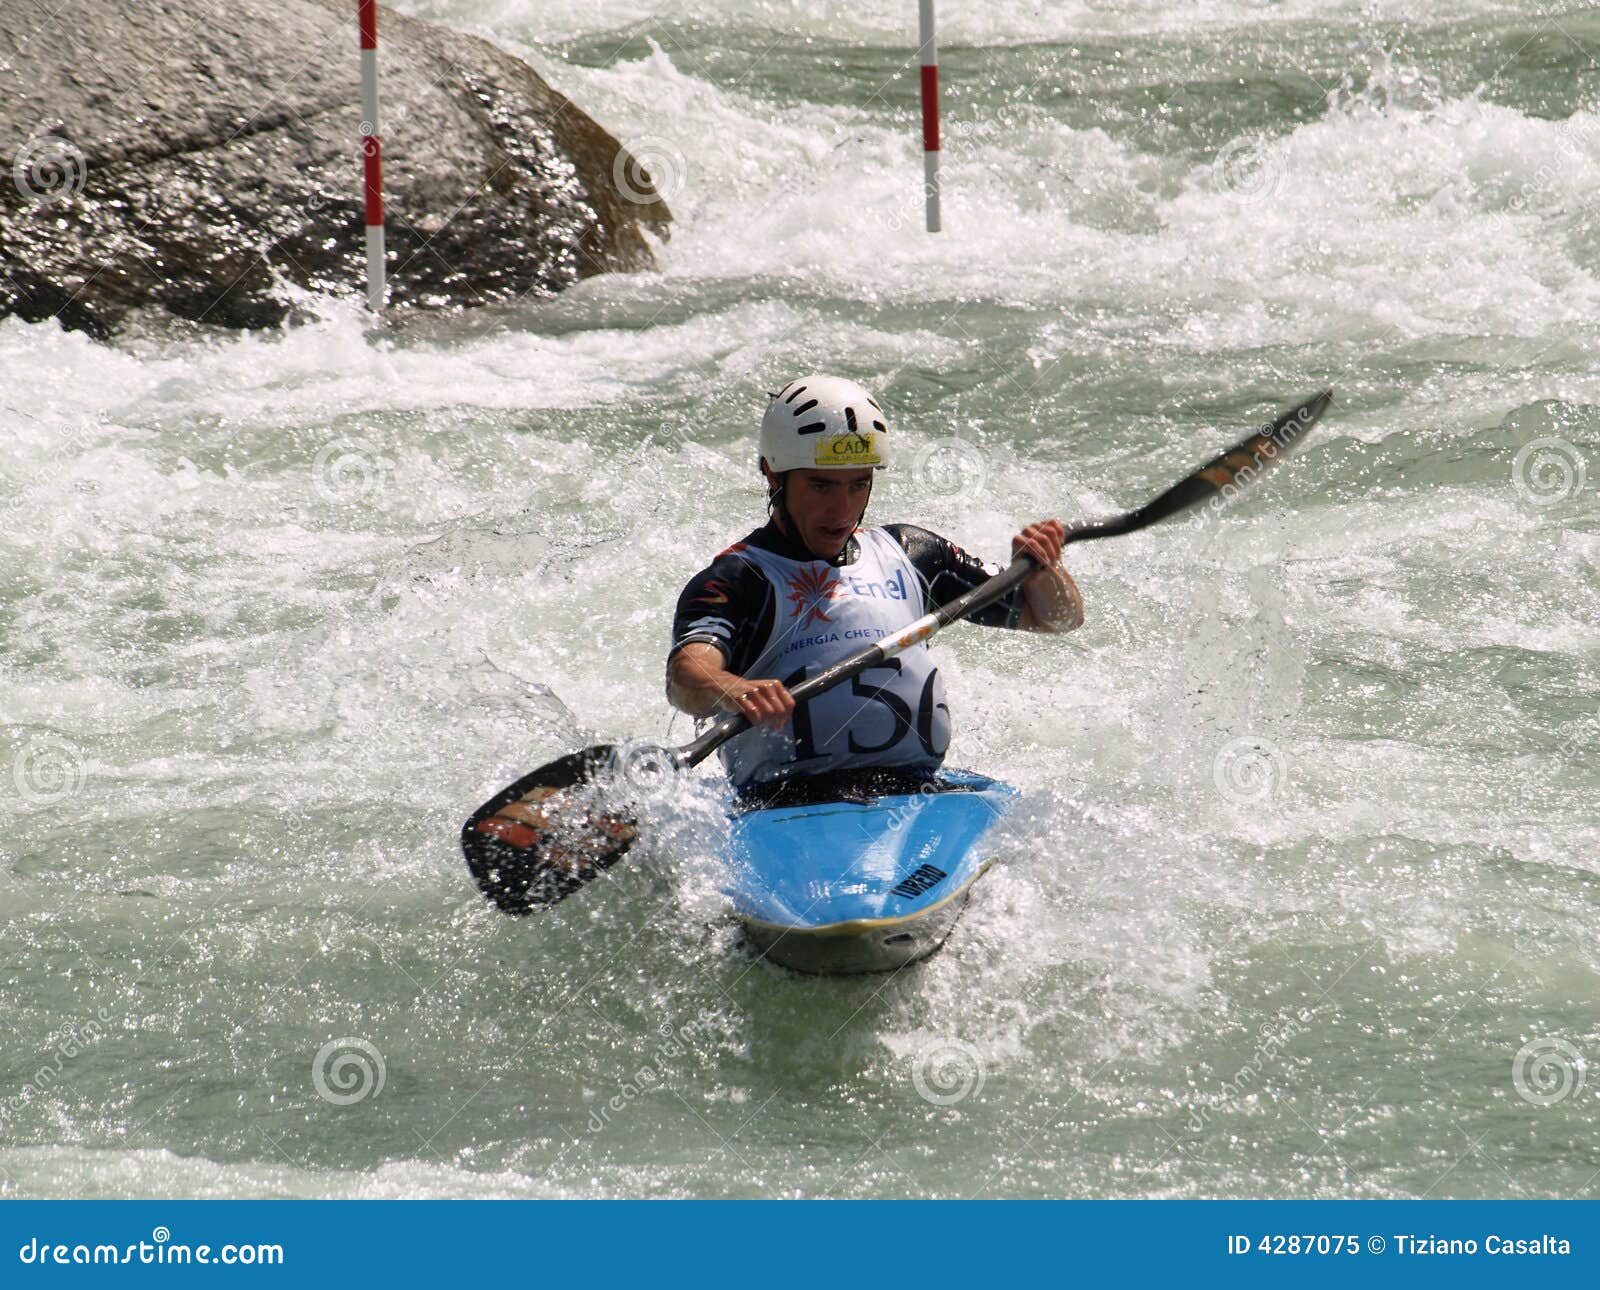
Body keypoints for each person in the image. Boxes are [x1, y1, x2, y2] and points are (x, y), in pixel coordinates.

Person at [666, 374, 1083, 799]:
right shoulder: (738, 579)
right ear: (774, 474)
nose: (841, 509)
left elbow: (1056, 618)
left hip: (917, 794)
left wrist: (1044, 570)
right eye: (820, 485)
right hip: (785, 804)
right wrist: (734, 688)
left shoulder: (913, 554)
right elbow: (687, 676)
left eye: (858, 484)